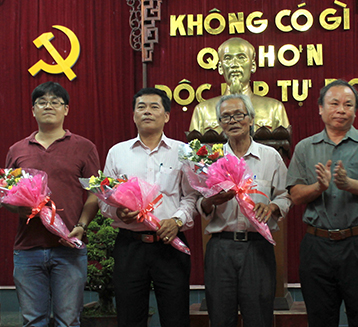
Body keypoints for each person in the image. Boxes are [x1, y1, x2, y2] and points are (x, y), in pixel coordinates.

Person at [286, 79, 358, 327]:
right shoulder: (305, 147)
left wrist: (350, 184)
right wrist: (318, 187)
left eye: (348, 104)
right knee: (320, 318)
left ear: (355, 110)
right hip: (317, 246)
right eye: (334, 103)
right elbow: (294, 195)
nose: (341, 109)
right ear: (320, 108)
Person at [3, 81, 100, 326]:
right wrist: (20, 206)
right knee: (33, 320)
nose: (49, 106)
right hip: (27, 248)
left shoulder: (84, 147)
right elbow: (6, 195)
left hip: (69, 248)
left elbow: (95, 194)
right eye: (42, 102)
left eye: (56, 102)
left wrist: (82, 225)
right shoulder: (17, 150)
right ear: (33, 110)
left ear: (66, 109)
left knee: (68, 320)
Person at [100, 87, 197, 327]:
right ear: (133, 115)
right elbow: (104, 200)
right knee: (130, 317)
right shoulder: (117, 152)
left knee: (175, 317)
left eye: (155, 107)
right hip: (130, 246)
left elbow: (191, 197)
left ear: (166, 115)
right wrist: (118, 211)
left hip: (170, 244)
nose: (147, 112)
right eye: (141, 107)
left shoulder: (183, 152)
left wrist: (176, 221)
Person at [197, 94, 291, 327]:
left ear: (251, 119)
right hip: (221, 246)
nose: (233, 120)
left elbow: (286, 194)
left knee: (259, 317)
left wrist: (272, 207)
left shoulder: (271, 157)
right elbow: (200, 202)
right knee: (220, 317)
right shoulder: (211, 160)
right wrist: (212, 200)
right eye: (226, 116)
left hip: (257, 248)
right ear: (219, 124)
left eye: (239, 114)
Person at [189, 37, 290, 135]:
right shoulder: (202, 111)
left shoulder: (274, 108)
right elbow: (193, 149)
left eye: (241, 58)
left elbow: (284, 146)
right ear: (220, 67)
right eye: (228, 59)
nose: (234, 64)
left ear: (253, 66)